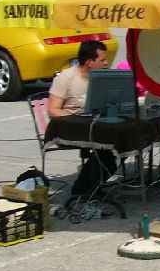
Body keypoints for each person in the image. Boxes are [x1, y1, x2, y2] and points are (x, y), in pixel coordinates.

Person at [47, 40, 118, 197]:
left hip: (93, 125)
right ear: (89, 62)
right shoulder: (66, 78)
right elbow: (53, 110)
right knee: (107, 150)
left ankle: (92, 186)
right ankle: (82, 190)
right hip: (70, 129)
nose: (106, 63)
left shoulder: (100, 77)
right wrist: (76, 119)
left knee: (117, 143)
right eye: (102, 60)